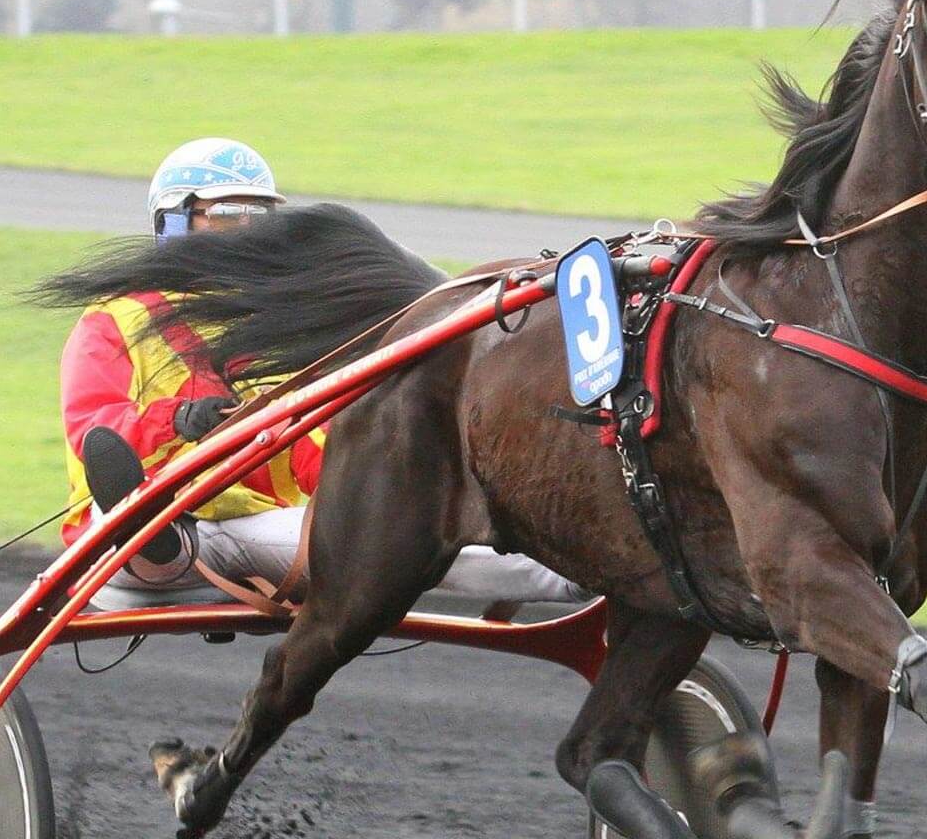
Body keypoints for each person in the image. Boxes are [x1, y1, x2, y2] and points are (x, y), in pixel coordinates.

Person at [60, 137, 585, 605]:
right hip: (131, 535)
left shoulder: (284, 320)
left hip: (257, 526)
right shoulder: (113, 318)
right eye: (226, 216)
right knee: (144, 533)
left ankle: (579, 567)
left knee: (400, 532)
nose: (244, 232)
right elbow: (93, 432)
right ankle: (155, 542)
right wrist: (179, 420)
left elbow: (316, 444)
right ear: (172, 221)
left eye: (259, 220)